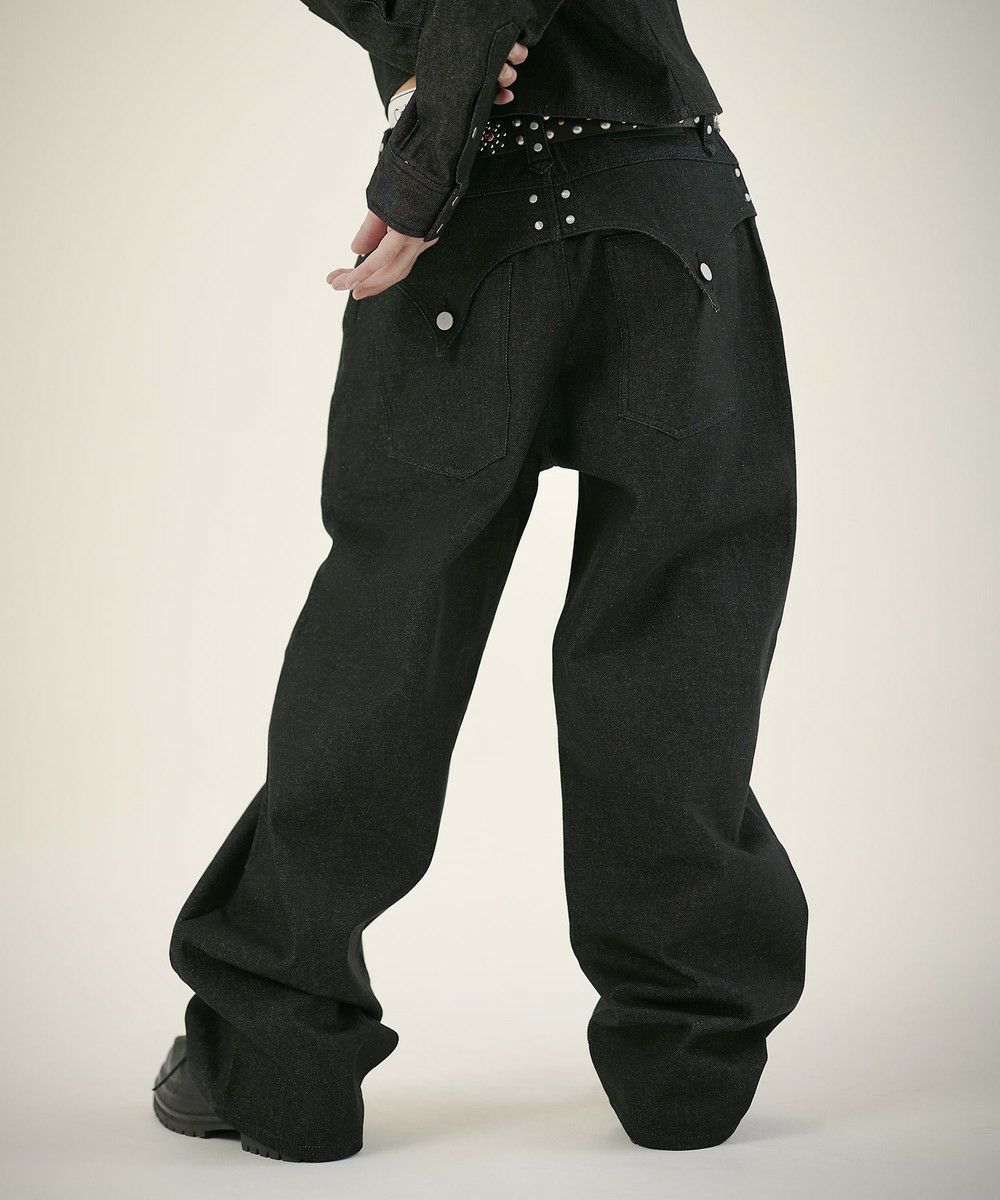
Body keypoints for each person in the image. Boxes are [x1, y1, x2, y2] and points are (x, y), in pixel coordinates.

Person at [152, 0, 808, 1163]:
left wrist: (425, 154)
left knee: (388, 639)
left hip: (471, 209)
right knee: (674, 632)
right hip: (666, 197)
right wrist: (437, 78)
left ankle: (279, 1054)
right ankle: (686, 1065)